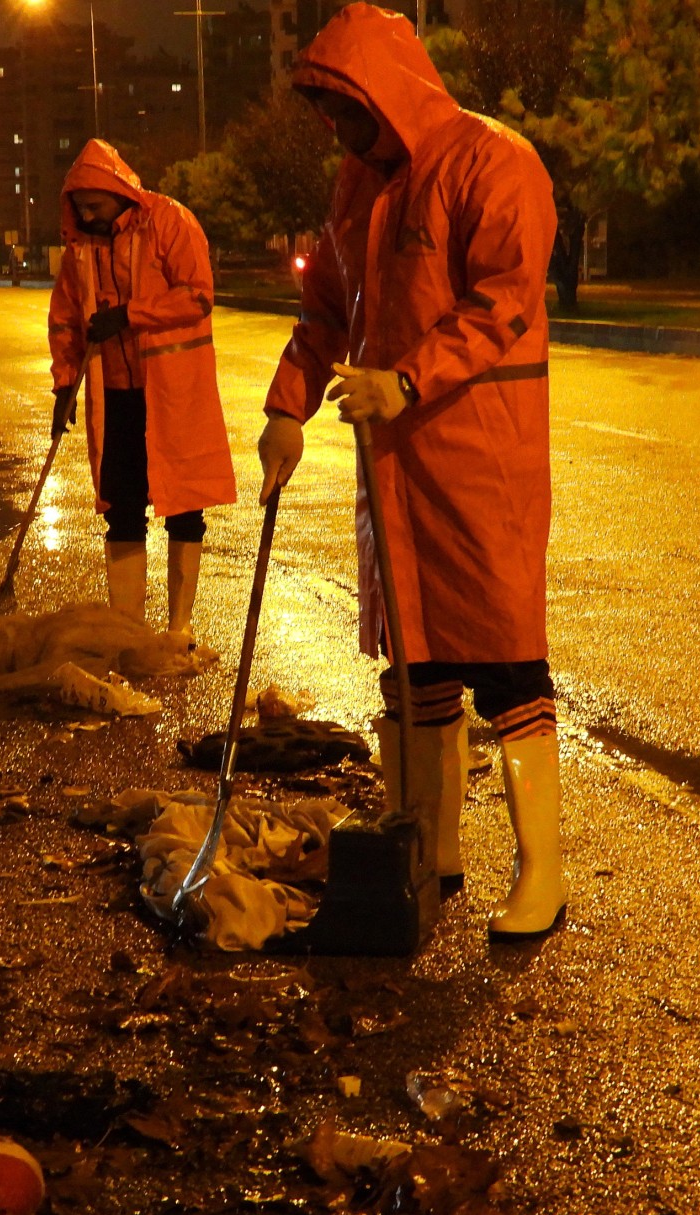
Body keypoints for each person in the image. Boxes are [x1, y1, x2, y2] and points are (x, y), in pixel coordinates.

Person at [257, 3, 565, 941]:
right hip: (388, 461)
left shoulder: (492, 161)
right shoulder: (358, 187)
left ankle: (542, 876)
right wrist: (284, 408)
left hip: (478, 454)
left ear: (391, 94)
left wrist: (405, 378)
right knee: (414, 667)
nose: (340, 133)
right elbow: (324, 317)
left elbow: (505, 299)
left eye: (350, 112)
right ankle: (428, 853)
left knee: (506, 662)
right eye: (331, 116)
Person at [48, 139, 237, 635]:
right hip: (115, 398)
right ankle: (126, 630)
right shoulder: (80, 247)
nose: (88, 214)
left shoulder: (170, 222)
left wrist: (129, 316)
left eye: (95, 203)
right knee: (123, 509)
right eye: (80, 207)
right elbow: (66, 319)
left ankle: (179, 629)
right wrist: (63, 386)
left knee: (183, 508)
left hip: (173, 394)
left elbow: (197, 295)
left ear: (119, 192)